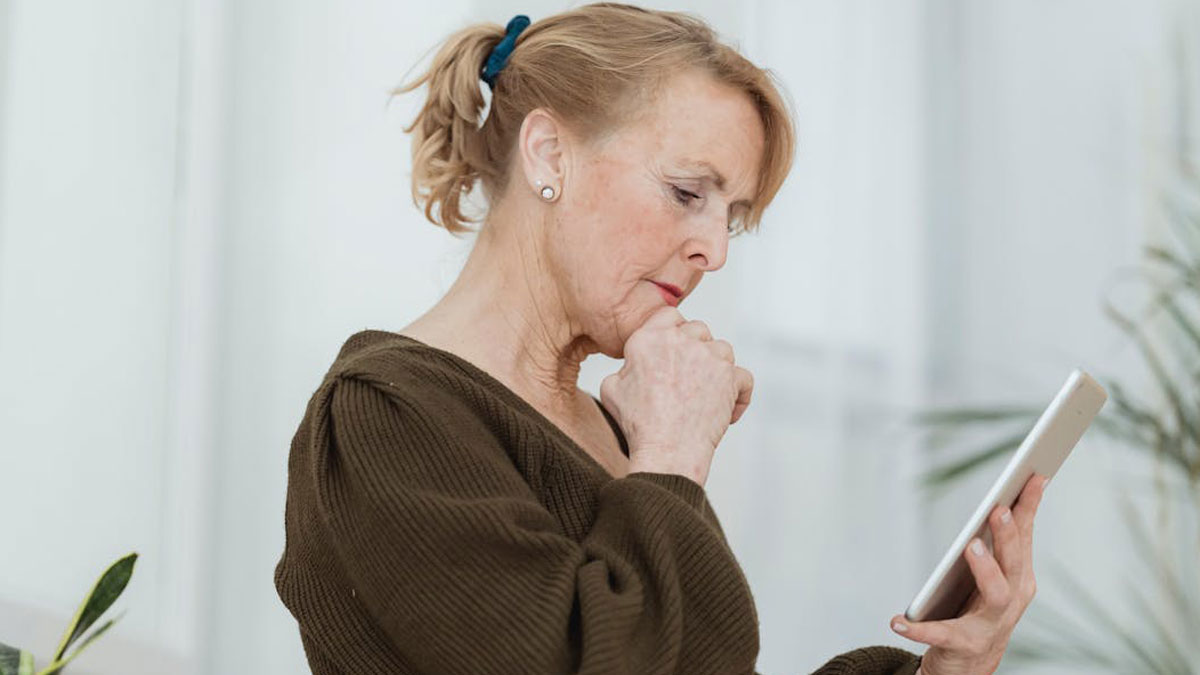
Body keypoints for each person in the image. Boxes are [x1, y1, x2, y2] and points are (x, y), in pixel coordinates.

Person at [274, 4, 1046, 673]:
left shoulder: (619, 436)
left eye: (732, 216)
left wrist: (944, 668)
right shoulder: (382, 416)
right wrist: (674, 455)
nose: (716, 249)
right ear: (549, 155)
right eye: (686, 192)